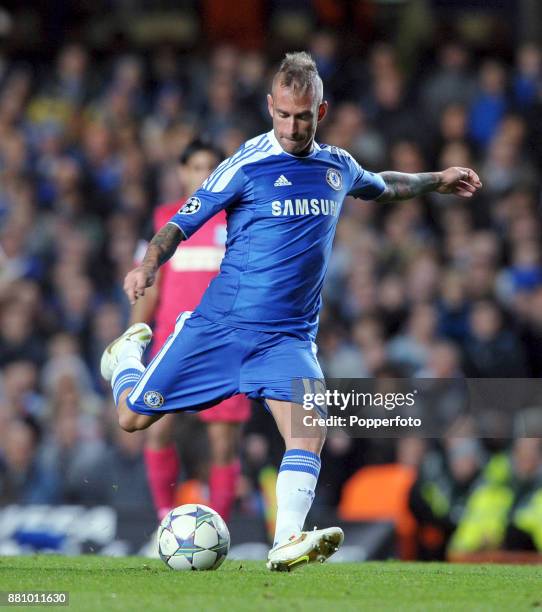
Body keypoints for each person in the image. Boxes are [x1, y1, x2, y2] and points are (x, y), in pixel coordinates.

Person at [100, 51, 482, 571]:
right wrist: (147, 266)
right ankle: (126, 357)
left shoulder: (336, 166)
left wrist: (436, 179)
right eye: (283, 114)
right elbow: (181, 223)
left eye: (303, 116)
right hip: (221, 328)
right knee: (131, 419)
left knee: (309, 429)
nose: (292, 126)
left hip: (287, 339)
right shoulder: (246, 163)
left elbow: (385, 184)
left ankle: (285, 542)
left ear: (320, 112)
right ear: (270, 107)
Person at [131, 140, 250, 522]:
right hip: (172, 344)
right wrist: (133, 337)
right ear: (182, 172)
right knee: (156, 429)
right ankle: (165, 520)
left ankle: (218, 527)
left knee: (222, 444)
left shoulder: (237, 221)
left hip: (225, 346)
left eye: (210, 168)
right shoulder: (164, 221)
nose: (202, 175)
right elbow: (149, 289)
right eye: (195, 167)